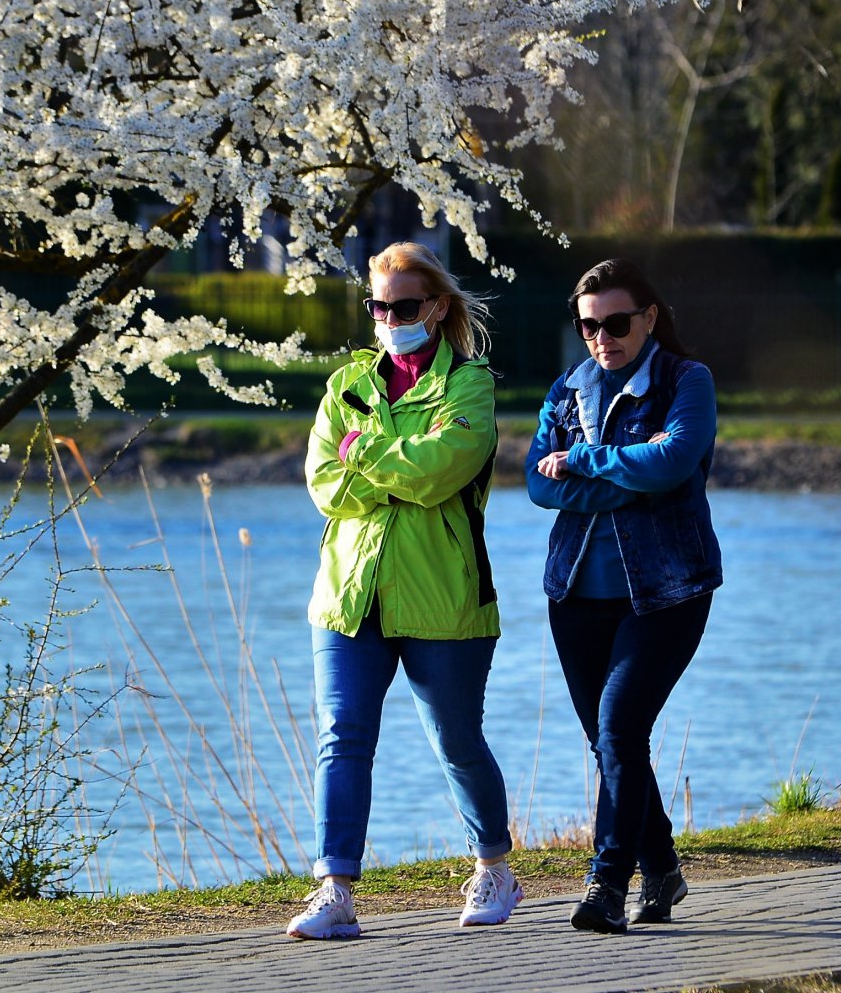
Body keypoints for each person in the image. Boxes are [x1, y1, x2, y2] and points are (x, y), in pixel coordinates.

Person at [288, 241, 521, 940]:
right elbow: (324, 484)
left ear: (438, 307)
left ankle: (495, 867)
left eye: (406, 305)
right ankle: (335, 891)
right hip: (348, 594)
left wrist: (365, 454)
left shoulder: (469, 386)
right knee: (342, 737)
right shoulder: (345, 387)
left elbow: (440, 472)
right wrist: (386, 466)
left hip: (442, 596)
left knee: (455, 739)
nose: (391, 318)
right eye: (379, 306)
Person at [525, 258, 721, 935]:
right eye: (588, 325)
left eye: (615, 322)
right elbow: (536, 484)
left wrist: (582, 460)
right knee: (613, 741)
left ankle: (608, 883)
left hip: (667, 592)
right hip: (576, 592)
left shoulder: (686, 382)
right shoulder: (568, 388)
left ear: (649, 318)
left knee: (618, 728)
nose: (601, 336)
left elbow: (672, 461)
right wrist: (630, 476)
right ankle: (662, 866)